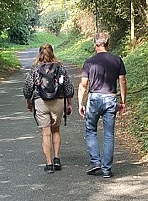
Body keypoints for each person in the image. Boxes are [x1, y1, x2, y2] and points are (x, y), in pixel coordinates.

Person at [78, 31, 127, 179]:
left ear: (95, 45)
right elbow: (122, 82)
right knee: (108, 134)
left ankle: (95, 162)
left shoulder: (89, 62)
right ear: (107, 44)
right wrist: (123, 101)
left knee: (90, 130)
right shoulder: (117, 60)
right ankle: (106, 169)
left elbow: (83, 85)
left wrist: (80, 102)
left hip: (94, 99)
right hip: (110, 98)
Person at [23, 43, 74, 173]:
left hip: (40, 101)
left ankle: (49, 164)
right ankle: (57, 159)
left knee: (46, 134)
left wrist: (29, 102)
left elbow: (28, 88)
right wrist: (69, 103)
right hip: (58, 101)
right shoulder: (60, 67)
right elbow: (68, 87)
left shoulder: (35, 68)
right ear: (52, 52)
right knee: (55, 130)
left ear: (39, 53)